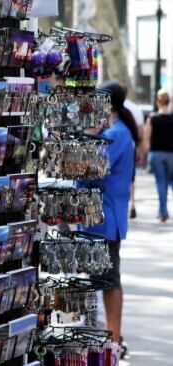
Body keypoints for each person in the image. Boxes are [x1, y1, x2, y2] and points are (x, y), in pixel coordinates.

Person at [83, 82, 138, 357]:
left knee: (108, 280)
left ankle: (113, 341)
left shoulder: (116, 135)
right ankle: (111, 337)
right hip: (102, 219)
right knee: (103, 279)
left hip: (104, 220)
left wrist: (88, 136)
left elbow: (88, 170)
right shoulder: (116, 132)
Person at [143, 89, 173, 222]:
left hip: (156, 154)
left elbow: (146, 137)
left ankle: (163, 211)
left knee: (161, 183)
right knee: (168, 182)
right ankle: (162, 210)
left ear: (158, 102)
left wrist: (144, 153)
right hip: (171, 154)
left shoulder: (153, 118)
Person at [123, 90, 144, 219]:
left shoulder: (113, 108)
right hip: (131, 147)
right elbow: (140, 131)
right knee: (131, 178)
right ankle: (132, 204)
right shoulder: (135, 108)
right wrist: (140, 150)